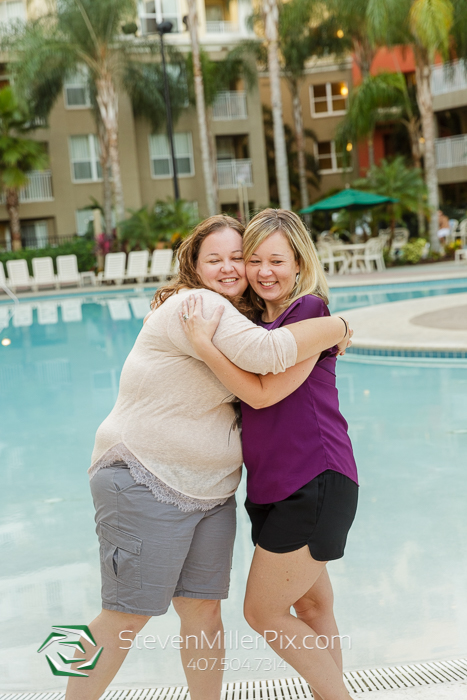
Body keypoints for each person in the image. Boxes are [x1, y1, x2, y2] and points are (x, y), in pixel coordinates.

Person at [66, 214, 351, 700]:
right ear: (194, 268)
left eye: (238, 256)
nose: (230, 267)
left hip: (212, 494)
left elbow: (263, 382)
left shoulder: (238, 319)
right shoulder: (196, 305)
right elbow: (267, 357)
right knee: (125, 613)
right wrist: (340, 325)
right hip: (144, 477)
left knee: (202, 613)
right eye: (213, 258)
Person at [180, 209, 358, 700]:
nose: (263, 271)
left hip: (312, 480)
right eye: (253, 259)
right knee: (313, 609)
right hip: (275, 488)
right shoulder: (260, 324)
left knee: (262, 612)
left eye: (276, 260)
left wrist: (204, 344)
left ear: (299, 263)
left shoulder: (307, 312)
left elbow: (262, 394)